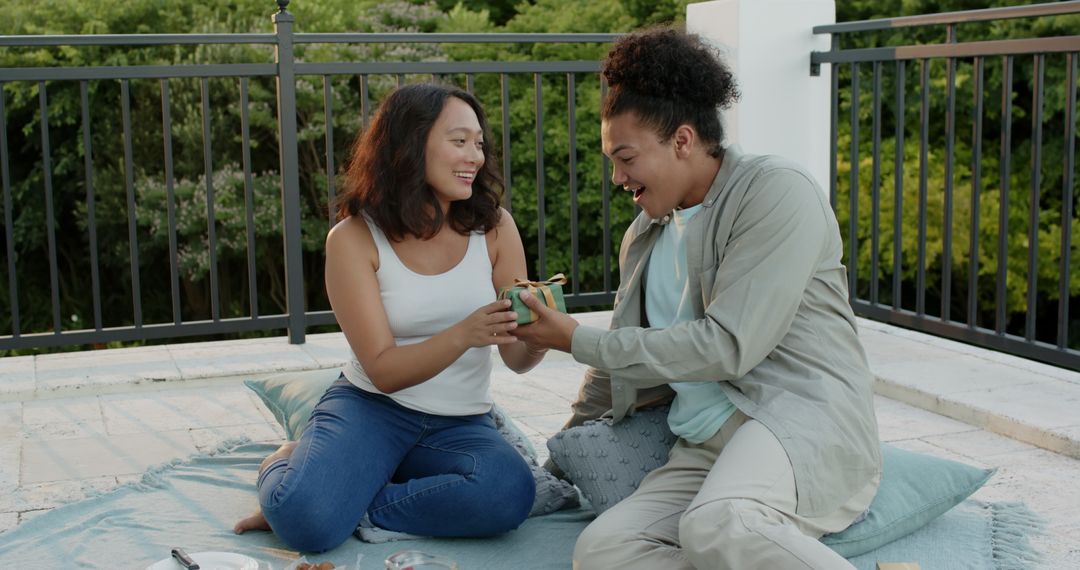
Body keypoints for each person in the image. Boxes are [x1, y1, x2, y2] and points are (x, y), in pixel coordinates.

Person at [511, 28, 882, 570]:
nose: (617, 177)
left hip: (796, 420)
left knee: (721, 524)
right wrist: (555, 465)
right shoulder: (645, 233)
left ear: (682, 141)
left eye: (626, 157)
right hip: (704, 447)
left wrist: (576, 340)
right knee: (605, 550)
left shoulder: (776, 192)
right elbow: (617, 366)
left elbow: (730, 345)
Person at [234, 83, 543, 553]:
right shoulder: (354, 239)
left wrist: (539, 337)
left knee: (509, 492)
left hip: (459, 421)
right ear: (410, 144)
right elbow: (382, 368)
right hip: (372, 408)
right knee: (305, 523)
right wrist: (464, 334)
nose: (475, 156)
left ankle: (352, 497)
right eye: (459, 141)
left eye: (479, 143)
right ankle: (285, 461)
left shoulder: (495, 227)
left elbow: (516, 356)